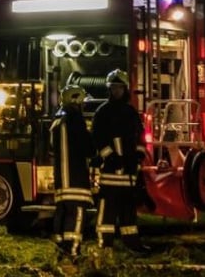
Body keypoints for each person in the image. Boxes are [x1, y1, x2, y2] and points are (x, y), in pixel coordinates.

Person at [90, 69, 150, 251]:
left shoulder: (130, 112)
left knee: (128, 213)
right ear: (109, 89)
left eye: (119, 88)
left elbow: (139, 136)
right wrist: (110, 157)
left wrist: (139, 155)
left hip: (129, 173)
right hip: (110, 173)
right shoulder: (103, 112)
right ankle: (105, 244)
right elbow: (98, 139)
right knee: (107, 212)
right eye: (113, 88)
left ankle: (132, 243)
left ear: (125, 89)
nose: (116, 91)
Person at [49, 83, 94, 258]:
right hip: (76, 178)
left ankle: (60, 251)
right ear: (76, 101)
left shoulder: (56, 123)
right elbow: (88, 149)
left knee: (62, 213)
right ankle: (72, 252)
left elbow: (52, 150)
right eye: (82, 102)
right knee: (76, 215)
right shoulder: (76, 120)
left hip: (61, 179)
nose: (83, 106)